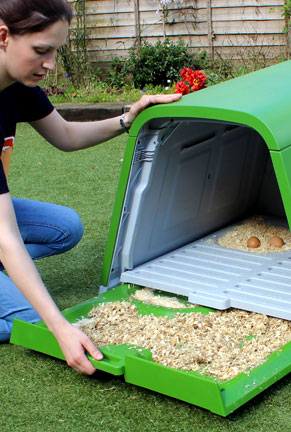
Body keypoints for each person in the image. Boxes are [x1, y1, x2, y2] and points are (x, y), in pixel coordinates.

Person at [0, 0, 182, 374]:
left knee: (64, 228)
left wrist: (129, 117)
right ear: (3, 37)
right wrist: (61, 327)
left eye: (55, 51)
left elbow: (65, 135)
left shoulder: (16, 85)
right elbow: (6, 236)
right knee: (29, 318)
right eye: (41, 51)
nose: (50, 64)